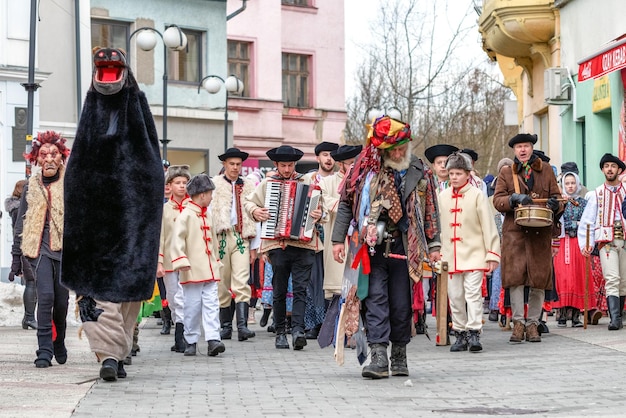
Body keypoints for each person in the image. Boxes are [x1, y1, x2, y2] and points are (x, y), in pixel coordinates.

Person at [61, 47, 164, 381]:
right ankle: (107, 354)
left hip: (132, 215)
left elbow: (150, 158)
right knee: (98, 290)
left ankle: (117, 354)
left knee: (127, 293)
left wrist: (143, 206)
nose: (107, 75)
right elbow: (79, 159)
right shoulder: (91, 107)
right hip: (94, 216)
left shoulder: (137, 104)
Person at [332, 115, 441, 379]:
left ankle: (400, 354)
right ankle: (378, 355)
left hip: (406, 245)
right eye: (395, 148)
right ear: (382, 150)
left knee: (402, 304)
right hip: (371, 247)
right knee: (375, 299)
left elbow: (430, 209)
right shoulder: (363, 168)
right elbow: (347, 202)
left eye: (404, 145)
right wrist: (337, 240)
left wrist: (435, 244)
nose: (401, 151)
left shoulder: (419, 169)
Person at [244, 145, 323, 350]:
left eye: (290, 165)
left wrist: (319, 214)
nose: (287, 170)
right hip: (277, 245)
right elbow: (249, 203)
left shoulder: (308, 181)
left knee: (300, 290)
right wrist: (256, 212)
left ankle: (297, 331)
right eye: (283, 165)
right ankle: (280, 332)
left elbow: (321, 210)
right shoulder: (267, 183)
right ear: (276, 165)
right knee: (279, 290)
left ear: (294, 164)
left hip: (303, 244)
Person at [493, 133, 563, 344]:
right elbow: (497, 201)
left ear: (532, 148)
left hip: (540, 233)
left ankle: (533, 323)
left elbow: (558, 199)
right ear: (514, 151)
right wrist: (512, 199)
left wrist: (555, 205)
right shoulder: (506, 173)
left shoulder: (547, 170)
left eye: (526, 146)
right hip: (515, 233)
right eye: (519, 147)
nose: (522, 150)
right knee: (515, 279)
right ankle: (517, 323)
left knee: (539, 279)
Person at [10, 131, 71, 368]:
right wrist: (16, 258)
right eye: (43, 154)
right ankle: (44, 349)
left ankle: (60, 341)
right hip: (39, 251)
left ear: (61, 157)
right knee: (45, 298)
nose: (49, 159)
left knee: (62, 303)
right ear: (37, 159)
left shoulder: (69, 185)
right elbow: (20, 224)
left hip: (65, 251)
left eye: (53, 154)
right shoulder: (30, 187)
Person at [438, 152, 500, 352]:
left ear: (467, 174)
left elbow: (488, 225)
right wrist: (436, 250)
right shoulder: (442, 197)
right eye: (451, 173)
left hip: (474, 253)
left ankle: (474, 332)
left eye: (458, 173)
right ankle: (460, 332)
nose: (454, 177)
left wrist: (492, 253)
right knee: (455, 295)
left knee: (473, 294)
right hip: (450, 255)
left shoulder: (477, 195)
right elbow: (437, 226)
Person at [171, 174, 225, 357]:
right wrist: (181, 259)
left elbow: (213, 243)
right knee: (192, 306)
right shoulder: (185, 215)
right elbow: (176, 240)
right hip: (192, 270)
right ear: (202, 194)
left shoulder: (207, 215)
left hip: (209, 269)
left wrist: (216, 260)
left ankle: (213, 339)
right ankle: (191, 340)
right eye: (210, 194)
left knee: (212, 304)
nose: (211, 198)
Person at [212, 147, 259, 342]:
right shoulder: (214, 185)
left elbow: (256, 216)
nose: (235, 167)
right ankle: (225, 326)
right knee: (222, 281)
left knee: (241, 279)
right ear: (224, 165)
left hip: (241, 236)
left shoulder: (249, 186)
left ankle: (242, 326)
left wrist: (255, 245)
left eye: (238, 164)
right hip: (221, 236)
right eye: (231, 164)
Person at [578, 154, 626, 330]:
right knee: (612, 278)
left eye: (613, 166)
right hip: (606, 241)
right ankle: (615, 319)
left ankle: (619, 316)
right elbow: (587, 221)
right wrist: (585, 244)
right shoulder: (596, 193)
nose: (610, 169)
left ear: (619, 170)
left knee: (624, 281)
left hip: (625, 240)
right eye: (606, 166)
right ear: (602, 169)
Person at [302, 141, 339, 339]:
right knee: (313, 281)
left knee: (332, 281)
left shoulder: (340, 181)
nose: (329, 158)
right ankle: (312, 324)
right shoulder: (307, 180)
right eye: (325, 154)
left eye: (332, 154)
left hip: (332, 236)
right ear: (317, 158)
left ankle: (330, 323)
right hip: (311, 236)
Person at [319, 145, 363, 300]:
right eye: (350, 163)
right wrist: (350, 206)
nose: (354, 166)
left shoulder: (363, 180)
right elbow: (324, 200)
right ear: (340, 164)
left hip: (359, 240)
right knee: (337, 290)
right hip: (338, 238)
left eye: (355, 162)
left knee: (360, 285)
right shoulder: (327, 182)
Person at [553, 171, 596, 327]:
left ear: (577, 185)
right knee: (563, 277)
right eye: (567, 184)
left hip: (578, 242)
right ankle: (562, 314)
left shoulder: (584, 203)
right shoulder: (559, 202)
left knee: (578, 277)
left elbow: (588, 222)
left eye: (573, 183)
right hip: (564, 242)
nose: (570, 186)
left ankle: (577, 314)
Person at [156, 165, 191, 352]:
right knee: (171, 297)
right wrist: (159, 261)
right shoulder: (164, 210)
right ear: (170, 185)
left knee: (183, 298)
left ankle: (182, 336)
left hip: (187, 261)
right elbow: (160, 236)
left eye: (185, 183)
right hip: (169, 261)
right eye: (178, 182)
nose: (181, 186)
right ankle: (179, 331)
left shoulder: (192, 208)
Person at [5, 179, 38, 330]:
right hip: (27, 245)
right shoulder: (20, 209)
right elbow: (20, 229)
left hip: (26, 245)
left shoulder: (15, 208)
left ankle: (28, 318)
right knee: (32, 281)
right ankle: (30, 318)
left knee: (32, 282)